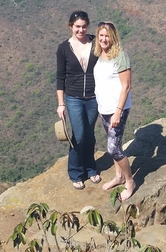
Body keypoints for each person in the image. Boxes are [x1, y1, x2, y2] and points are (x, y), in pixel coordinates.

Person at [56, 10, 101, 190]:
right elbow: (60, 77)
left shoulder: (96, 44)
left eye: (83, 26)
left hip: (94, 97)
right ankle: (75, 172)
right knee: (79, 135)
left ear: (87, 26)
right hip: (73, 97)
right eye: (77, 27)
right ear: (71, 27)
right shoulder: (63, 48)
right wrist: (61, 104)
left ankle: (90, 168)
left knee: (89, 134)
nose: (81, 30)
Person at [93, 21, 136, 201]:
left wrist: (118, 112)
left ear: (113, 37)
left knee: (113, 149)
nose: (104, 39)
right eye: (101, 35)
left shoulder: (121, 57)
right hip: (104, 108)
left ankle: (129, 181)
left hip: (117, 109)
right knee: (113, 144)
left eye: (107, 35)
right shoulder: (100, 56)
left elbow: (126, 87)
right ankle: (118, 177)